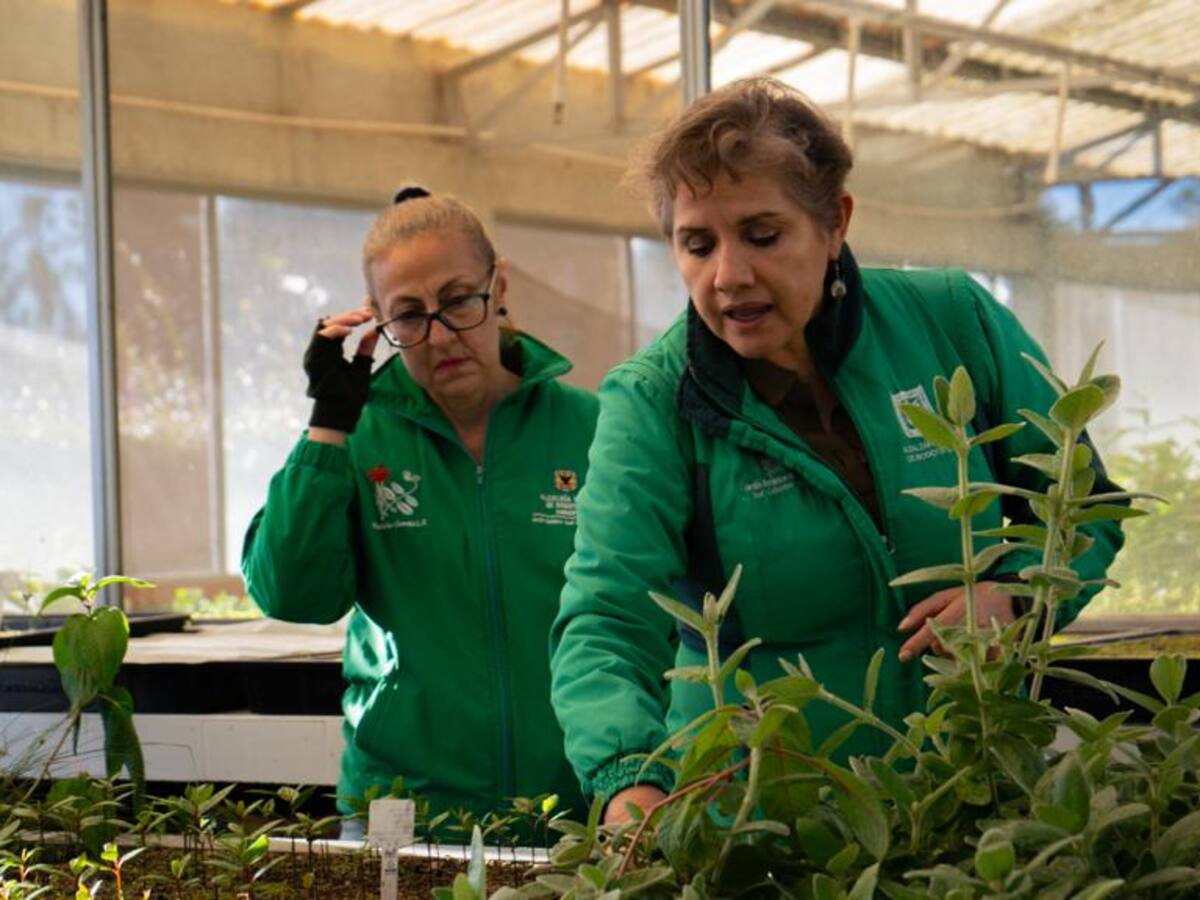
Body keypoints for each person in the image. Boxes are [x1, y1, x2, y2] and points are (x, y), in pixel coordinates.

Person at [548, 78, 1126, 824]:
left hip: (965, 793)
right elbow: (606, 619)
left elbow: (1080, 509)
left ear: (835, 223)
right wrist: (630, 782)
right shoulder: (656, 400)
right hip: (760, 820)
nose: (729, 275)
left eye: (762, 234)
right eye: (698, 244)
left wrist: (1014, 596)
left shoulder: (951, 323)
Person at [242, 187, 598, 830]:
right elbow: (292, 594)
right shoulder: (353, 440)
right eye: (409, 315)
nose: (441, 335)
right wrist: (328, 424)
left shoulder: (592, 429)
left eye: (459, 299)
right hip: (406, 811)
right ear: (376, 322)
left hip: (576, 809)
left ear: (500, 287)